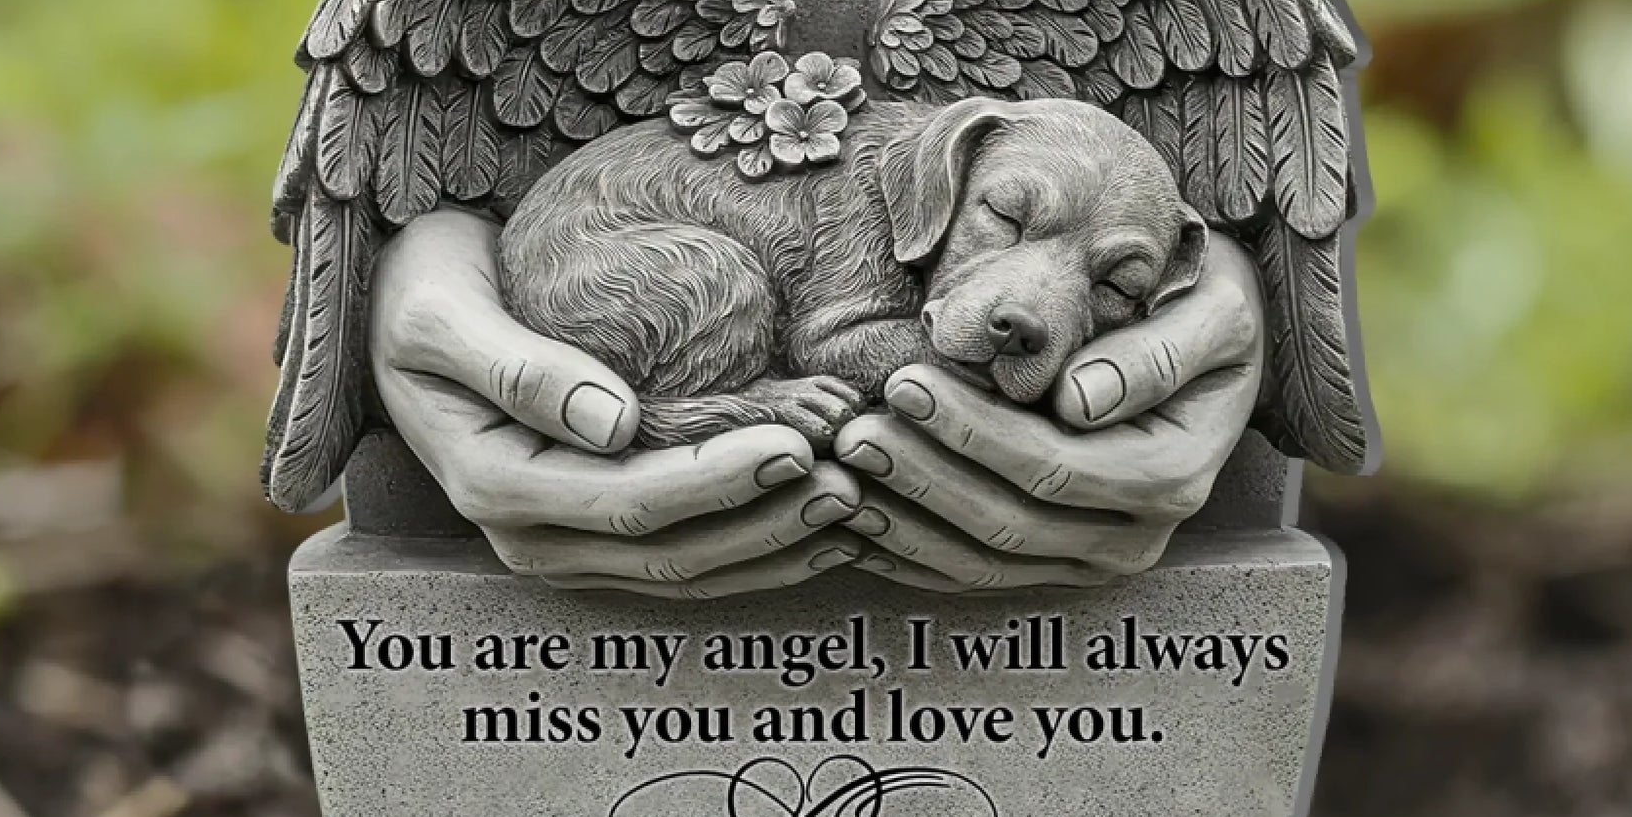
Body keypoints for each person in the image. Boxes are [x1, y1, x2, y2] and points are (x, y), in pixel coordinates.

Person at [367, 206, 1266, 599]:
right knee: (719, 285)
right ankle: (699, 401)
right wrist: (404, 257)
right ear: (942, 180)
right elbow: (835, 341)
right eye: (1005, 221)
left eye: (1117, 284)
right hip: (622, 264)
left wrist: (1244, 278)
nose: (1029, 309)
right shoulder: (875, 209)